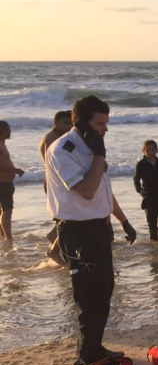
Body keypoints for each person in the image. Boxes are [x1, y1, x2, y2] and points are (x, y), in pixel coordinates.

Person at [44, 95, 132, 365]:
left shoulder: (92, 149)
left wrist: (123, 220)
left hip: (99, 227)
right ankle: (86, 358)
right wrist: (99, 156)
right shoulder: (63, 150)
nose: (104, 129)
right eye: (99, 123)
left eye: (106, 123)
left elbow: (104, 192)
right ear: (81, 123)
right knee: (88, 295)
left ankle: (94, 348)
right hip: (78, 232)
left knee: (105, 289)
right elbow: (87, 190)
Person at [40, 110, 73, 263]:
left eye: (70, 123)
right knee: (68, 218)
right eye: (65, 123)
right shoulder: (52, 138)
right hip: (55, 183)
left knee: (63, 217)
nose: (69, 127)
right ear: (56, 122)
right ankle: (54, 250)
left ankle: (55, 237)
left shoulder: (57, 137)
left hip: (57, 182)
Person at [133, 140, 158, 241]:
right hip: (149, 197)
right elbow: (136, 179)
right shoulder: (141, 164)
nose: (150, 152)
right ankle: (154, 244)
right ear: (144, 151)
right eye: (148, 150)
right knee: (152, 224)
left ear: (156, 150)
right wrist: (140, 191)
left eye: (153, 149)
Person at [0, 122, 25, 243]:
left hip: (5, 182)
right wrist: (15, 170)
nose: (10, 132)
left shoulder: (2, 144)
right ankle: (8, 238)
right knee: (7, 210)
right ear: (4, 130)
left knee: (2, 210)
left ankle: (3, 234)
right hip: (2, 183)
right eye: (8, 129)